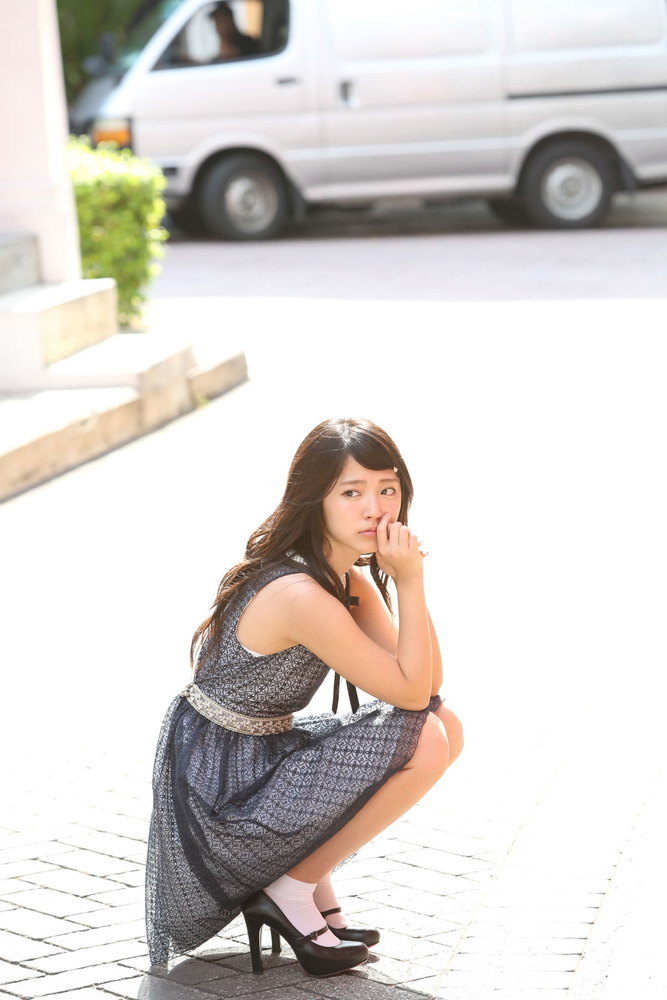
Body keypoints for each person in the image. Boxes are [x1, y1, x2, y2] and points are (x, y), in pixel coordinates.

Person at [145, 417, 464, 977]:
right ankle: (291, 888)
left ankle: (304, 884)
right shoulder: (299, 593)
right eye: (351, 493)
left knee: (445, 725)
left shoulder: (343, 578)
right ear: (315, 499)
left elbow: (428, 685)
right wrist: (410, 582)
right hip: (225, 792)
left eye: (387, 489)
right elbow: (412, 694)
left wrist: (405, 581)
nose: (375, 509)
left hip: (263, 754)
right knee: (427, 738)